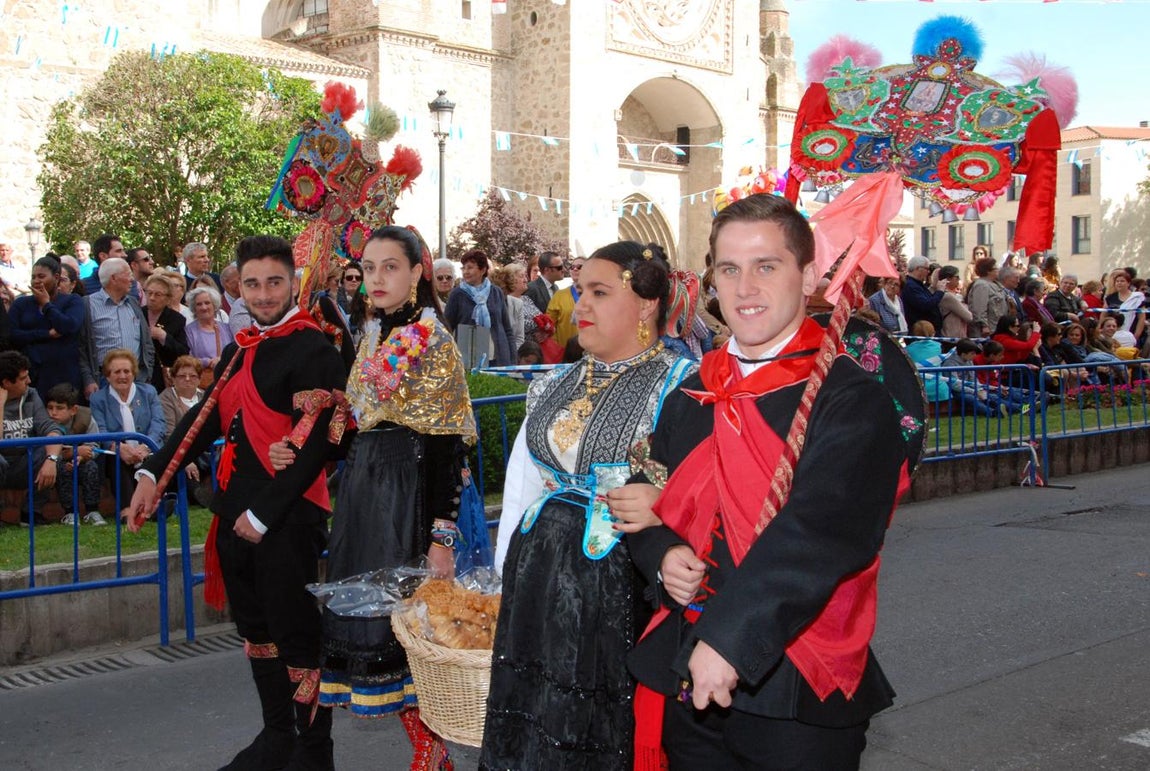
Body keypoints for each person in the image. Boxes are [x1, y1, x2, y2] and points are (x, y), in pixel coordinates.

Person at [620, 194, 920, 770]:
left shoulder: (849, 400)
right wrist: (662, 553)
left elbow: (821, 534)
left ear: (807, 276)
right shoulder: (696, 391)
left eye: (766, 266)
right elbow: (646, 490)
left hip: (794, 689)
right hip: (689, 669)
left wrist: (728, 640)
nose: (745, 288)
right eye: (729, 269)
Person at [125, 235, 347, 770]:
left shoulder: (314, 348)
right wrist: (153, 473)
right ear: (238, 287)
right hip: (234, 514)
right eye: (252, 283)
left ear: (293, 282)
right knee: (257, 635)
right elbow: (201, 423)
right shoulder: (239, 348)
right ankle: (278, 737)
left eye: (274, 282)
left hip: (286, 519)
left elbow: (320, 443)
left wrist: (263, 514)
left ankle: (313, 752)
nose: (264, 294)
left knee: (296, 636)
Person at [481, 240, 696, 769]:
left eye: (599, 293)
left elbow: (700, 497)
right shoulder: (552, 384)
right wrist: (503, 577)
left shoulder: (682, 387)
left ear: (646, 305)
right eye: (580, 292)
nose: (581, 306)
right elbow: (523, 488)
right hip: (538, 575)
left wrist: (663, 504)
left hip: (618, 583)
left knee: (597, 725)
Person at [273, 225, 475, 768]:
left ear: (417, 273)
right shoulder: (373, 334)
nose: (377, 278)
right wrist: (304, 435)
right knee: (379, 626)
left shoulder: (432, 340)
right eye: (369, 267)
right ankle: (430, 753)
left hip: (408, 495)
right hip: (367, 492)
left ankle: (430, 752)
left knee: (409, 633)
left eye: (391, 267)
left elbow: (446, 446)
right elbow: (358, 424)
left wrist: (440, 537)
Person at [88, 350, 167, 508]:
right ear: (108, 376)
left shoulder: (148, 392)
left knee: (154, 462)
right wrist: (119, 448)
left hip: (147, 449)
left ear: (134, 373)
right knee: (118, 466)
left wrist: (145, 446)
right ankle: (130, 510)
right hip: (116, 453)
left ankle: (156, 507)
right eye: (117, 372)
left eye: (127, 371)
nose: (122, 376)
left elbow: (158, 423)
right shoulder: (98, 399)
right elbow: (100, 430)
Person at [0, 351, 63, 526]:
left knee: (52, 451)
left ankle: (31, 513)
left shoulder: (31, 395)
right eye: (23, 378)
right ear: (6, 383)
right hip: (2, 462)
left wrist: (51, 459)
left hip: (23, 463)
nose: (28, 381)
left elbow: (50, 428)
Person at [8, 256, 86, 394]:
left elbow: (69, 326)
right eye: (33, 277)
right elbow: (12, 335)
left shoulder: (73, 301)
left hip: (63, 375)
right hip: (32, 374)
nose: (36, 281)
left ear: (56, 278)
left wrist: (46, 305)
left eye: (41, 276)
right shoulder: (21, 303)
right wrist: (46, 334)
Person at [78, 257, 154, 398]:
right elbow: (81, 348)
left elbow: (147, 342)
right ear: (113, 278)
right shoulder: (88, 305)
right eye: (128, 274)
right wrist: (88, 379)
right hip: (103, 380)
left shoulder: (133, 303)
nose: (132, 279)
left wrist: (146, 374)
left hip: (136, 379)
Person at [44, 383, 105, 526]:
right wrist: (71, 454)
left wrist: (81, 457)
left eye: (59, 408)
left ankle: (92, 511)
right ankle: (70, 513)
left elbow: (94, 446)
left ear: (73, 410)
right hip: (55, 462)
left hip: (81, 461)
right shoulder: (44, 422)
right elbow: (40, 451)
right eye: (50, 408)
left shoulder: (86, 417)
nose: (53, 413)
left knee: (91, 467)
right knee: (62, 469)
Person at [444, 249, 515, 367]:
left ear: (483, 270)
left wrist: (512, 360)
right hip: (469, 359)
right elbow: (447, 329)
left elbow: (507, 328)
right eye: (463, 268)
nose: (466, 272)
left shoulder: (496, 292)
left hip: (498, 359)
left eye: (470, 267)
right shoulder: (457, 294)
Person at [142, 274, 190, 394]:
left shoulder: (176, 319)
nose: (152, 298)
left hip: (162, 378)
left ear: (168, 298)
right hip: (140, 373)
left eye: (158, 294)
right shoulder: (138, 313)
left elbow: (183, 351)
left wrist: (163, 337)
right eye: (149, 293)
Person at [184, 285, 234, 379]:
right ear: (194, 308)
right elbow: (187, 360)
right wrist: (208, 362)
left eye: (207, 303)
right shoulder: (189, 331)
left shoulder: (227, 328)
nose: (204, 307)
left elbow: (235, 353)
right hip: (203, 380)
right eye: (199, 304)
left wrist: (222, 360)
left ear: (214, 305)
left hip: (229, 378)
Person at [545, 256, 584, 348]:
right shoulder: (559, 295)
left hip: (593, 350)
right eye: (572, 267)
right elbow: (549, 325)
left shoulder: (597, 294)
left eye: (579, 267)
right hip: (566, 350)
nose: (575, 269)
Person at [966, 257, 1008, 337]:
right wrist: (984, 325)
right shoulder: (981, 285)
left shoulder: (997, 284)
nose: (998, 270)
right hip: (988, 330)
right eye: (996, 269)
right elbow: (979, 308)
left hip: (997, 327)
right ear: (988, 271)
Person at [901, 255, 944, 330]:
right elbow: (926, 305)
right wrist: (939, 291)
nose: (928, 272)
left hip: (928, 329)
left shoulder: (918, 285)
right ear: (918, 268)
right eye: (927, 269)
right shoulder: (911, 286)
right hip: (921, 330)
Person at [1103, 268, 1146, 341]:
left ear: (1128, 283)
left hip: (1131, 334)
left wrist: (1136, 336)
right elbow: (1103, 316)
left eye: (1122, 281)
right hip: (1113, 335)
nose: (1119, 283)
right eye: (1117, 281)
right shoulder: (1110, 298)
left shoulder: (1137, 298)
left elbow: (1141, 319)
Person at [935, 265, 973, 340]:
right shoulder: (948, 296)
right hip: (952, 337)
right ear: (948, 279)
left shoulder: (942, 294)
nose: (959, 279)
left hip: (952, 336)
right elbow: (969, 317)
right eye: (957, 277)